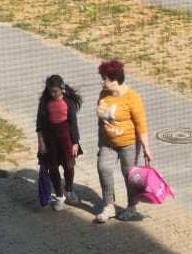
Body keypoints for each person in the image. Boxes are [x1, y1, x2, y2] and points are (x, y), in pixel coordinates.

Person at [94, 59, 152, 223]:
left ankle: (132, 207)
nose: (102, 81)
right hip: (108, 142)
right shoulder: (104, 93)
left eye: (105, 78)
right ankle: (109, 206)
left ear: (115, 79)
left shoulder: (132, 98)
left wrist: (146, 149)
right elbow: (100, 120)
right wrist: (100, 141)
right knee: (103, 168)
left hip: (129, 143)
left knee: (129, 176)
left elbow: (141, 125)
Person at [36, 74, 83, 211]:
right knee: (53, 168)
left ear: (62, 88)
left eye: (55, 91)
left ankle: (69, 189)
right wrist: (41, 143)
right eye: (50, 91)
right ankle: (59, 196)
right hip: (50, 141)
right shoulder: (45, 103)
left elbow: (73, 123)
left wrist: (75, 142)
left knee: (69, 167)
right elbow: (39, 125)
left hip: (66, 140)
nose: (52, 94)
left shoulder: (69, 103)